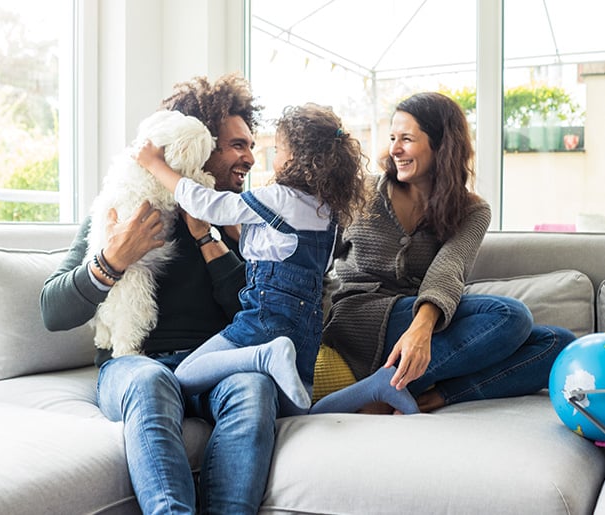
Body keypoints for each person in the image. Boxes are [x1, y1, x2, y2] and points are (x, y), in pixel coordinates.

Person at [40, 73, 277, 515]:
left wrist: (210, 240)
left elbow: (256, 314)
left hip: (216, 365)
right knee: (151, 381)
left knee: (255, 386)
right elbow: (51, 310)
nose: (249, 156)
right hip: (136, 365)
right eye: (238, 145)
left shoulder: (246, 223)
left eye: (250, 144)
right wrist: (112, 260)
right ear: (200, 147)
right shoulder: (124, 207)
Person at [312, 91, 575, 415]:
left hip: (423, 324)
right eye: (393, 137)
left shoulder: (471, 210)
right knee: (511, 316)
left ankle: (432, 394)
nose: (394, 149)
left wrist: (421, 330)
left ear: (441, 145)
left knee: (558, 344)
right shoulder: (362, 192)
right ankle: (391, 386)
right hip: (358, 317)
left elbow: (449, 267)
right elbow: (317, 258)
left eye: (407, 139)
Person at [136, 103, 367, 415]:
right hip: (306, 328)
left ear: (297, 157)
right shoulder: (327, 213)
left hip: (265, 321)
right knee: (298, 411)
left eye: (279, 148)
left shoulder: (277, 198)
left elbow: (208, 205)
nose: (272, 157)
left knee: (185, 375)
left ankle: (264, 356)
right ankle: (376, 386)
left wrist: (155, 165)